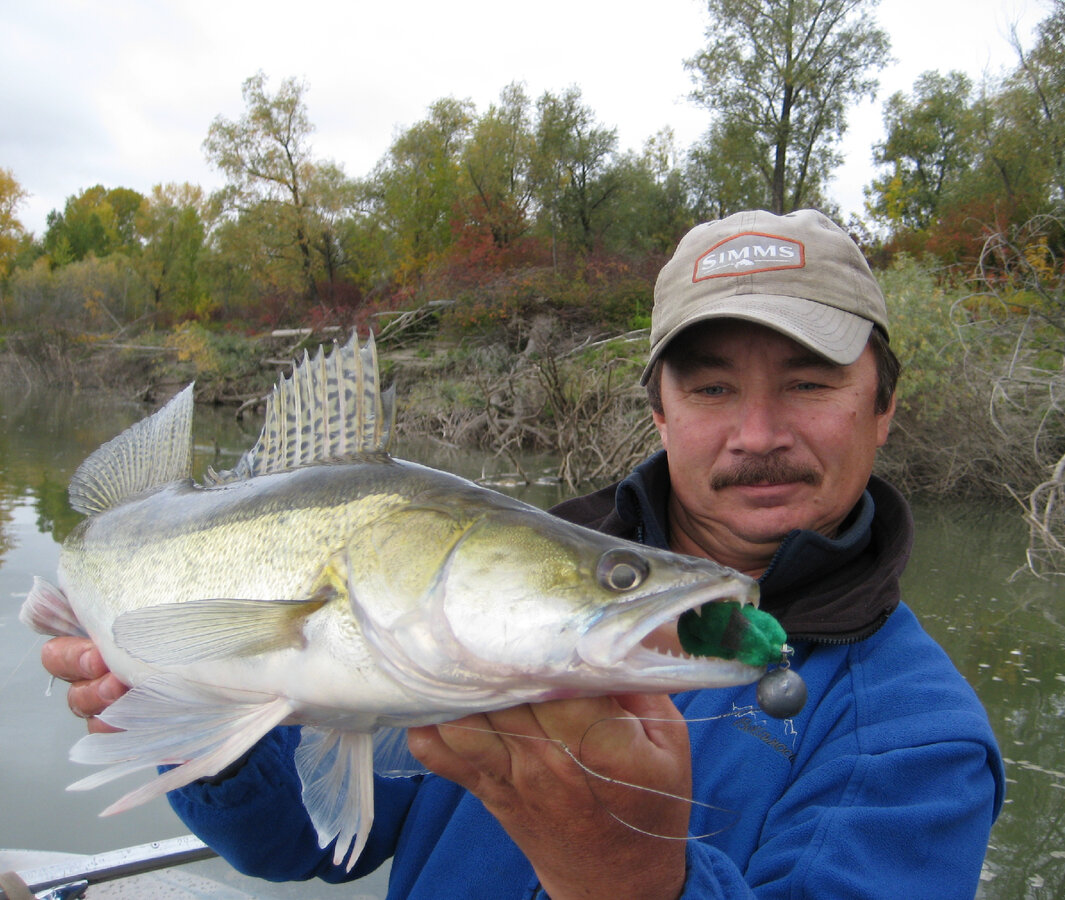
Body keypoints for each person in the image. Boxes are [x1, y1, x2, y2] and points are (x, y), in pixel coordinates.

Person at [42, 209, 1004, 899]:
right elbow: (308, 845)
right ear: (659, 412)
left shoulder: (918, 744)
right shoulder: (484, 625)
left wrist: (631, 884)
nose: (757, 432)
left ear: (884, 407)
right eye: (712, 389)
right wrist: (184, 713)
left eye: (808, 383)